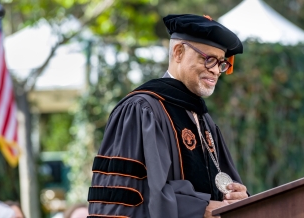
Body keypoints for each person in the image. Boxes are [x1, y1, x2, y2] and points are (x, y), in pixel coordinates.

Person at [87, 14, 248, 218]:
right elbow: (127, 197)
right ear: (179, 52)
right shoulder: (140, 110)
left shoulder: (202, 118)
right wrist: (200, 208)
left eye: (221, 63)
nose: (216, 70)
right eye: (209, 59)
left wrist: (239, 197)